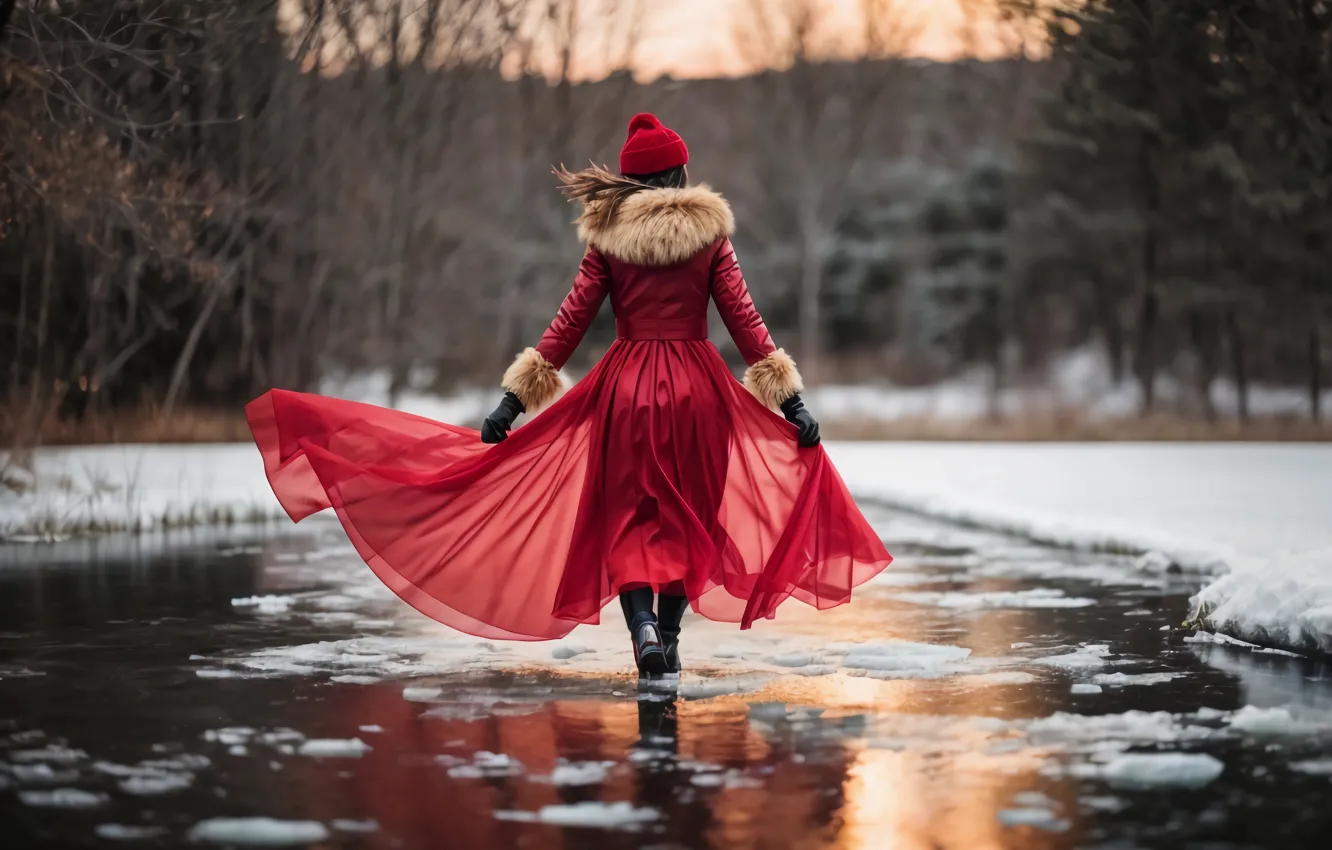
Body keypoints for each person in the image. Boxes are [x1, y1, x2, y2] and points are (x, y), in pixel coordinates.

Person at [246, 113, 893, 679]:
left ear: (632, 179)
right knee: (689, 521)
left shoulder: (607, 241)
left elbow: (569, 322)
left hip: (626, 392)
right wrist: (791, 403)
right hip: (699, 392)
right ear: (680, 173)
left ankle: (639, 629)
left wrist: (513, 400)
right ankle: (667, 638)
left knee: (627, 521)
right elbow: (746, 322)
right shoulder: (711, 237)